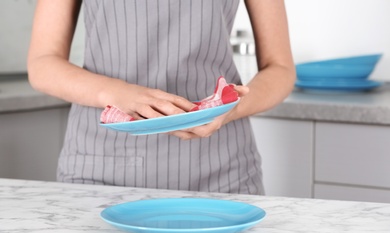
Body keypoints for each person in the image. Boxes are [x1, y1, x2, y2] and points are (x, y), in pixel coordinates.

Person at [27, 0, 295, 195]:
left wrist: (232, 109)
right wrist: (118, 93)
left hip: (222, 170)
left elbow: (280, 68)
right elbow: (42, 64)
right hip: (100, 169)